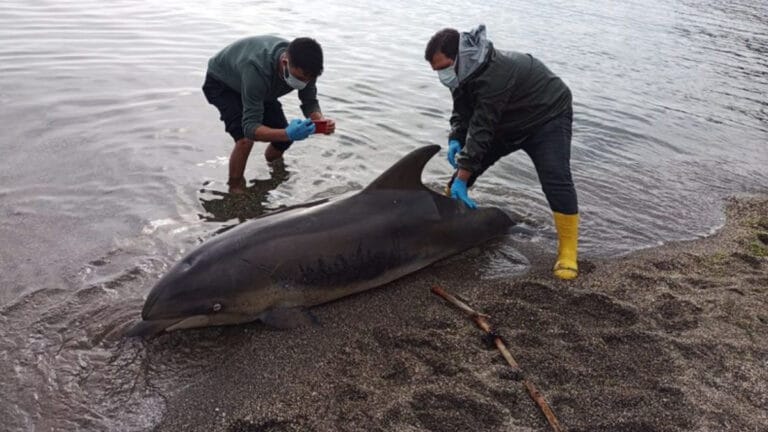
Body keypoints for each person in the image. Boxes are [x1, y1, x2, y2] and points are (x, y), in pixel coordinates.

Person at [424, 25, 579, 280]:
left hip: (546, 117)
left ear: (461, 57)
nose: (442, 75)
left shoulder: (496, 73)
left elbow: (482, 129)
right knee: (460, 177)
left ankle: (568, 251)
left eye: (444, 68)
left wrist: (464, 174)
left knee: (556, 179)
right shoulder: (461, 73)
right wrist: (455, 139)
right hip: (506, 120)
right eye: (437, 71)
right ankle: (445, 223)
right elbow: (462, 113)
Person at [203, 35, 335, 194]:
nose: (303, 82)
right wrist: (286, 133)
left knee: (284, 141)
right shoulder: (256, 68)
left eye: (308, 79)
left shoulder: (306, 70)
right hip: (223, 83)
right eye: (299, 78)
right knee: (245, 140)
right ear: (285, 62)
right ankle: (235, 190)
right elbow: (250, 128)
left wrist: (320, 122)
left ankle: (274, 166)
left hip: (261, 90)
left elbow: (309, 101)